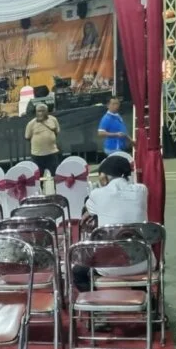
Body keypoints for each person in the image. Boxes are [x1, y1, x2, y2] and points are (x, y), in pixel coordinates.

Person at [73, 154, 149, 290]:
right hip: (143, 262)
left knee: (78, 271)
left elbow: (88, 213)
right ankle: (146, 298)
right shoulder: (142, 191)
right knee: (135, 253)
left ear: (104, 176)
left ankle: (93, 300)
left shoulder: (97, 194)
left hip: (108, 265)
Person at [25, 103, 61, 176]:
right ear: (36, 112)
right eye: (38, 111)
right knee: (38, 177)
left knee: (56, 176)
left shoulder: (53, 120)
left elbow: (57, 132)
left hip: (52, 153)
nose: (40, 113)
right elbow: (27, 137)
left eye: (43, 111)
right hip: (37, 155)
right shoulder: (31, 123)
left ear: (47, 111)